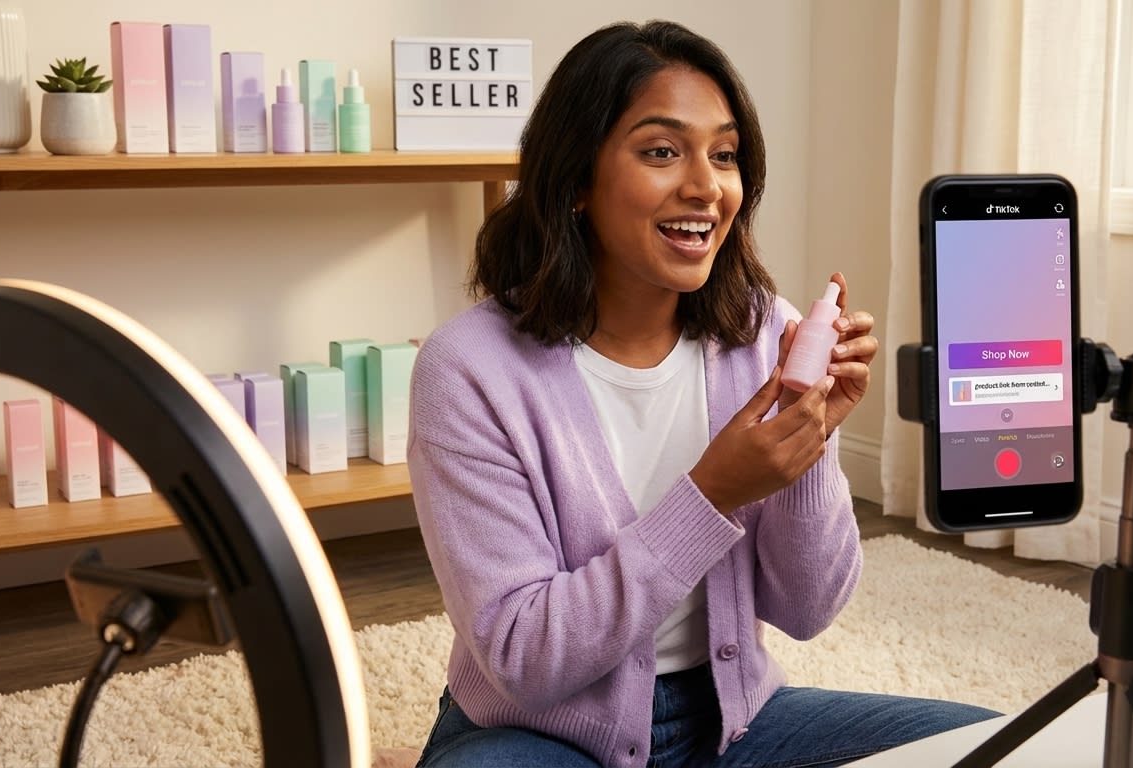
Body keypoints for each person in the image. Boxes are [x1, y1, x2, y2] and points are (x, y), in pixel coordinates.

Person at [406, 19, 999, 768]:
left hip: (734, 722)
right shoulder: (468, 368)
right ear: (577, 179)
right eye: (661, 151)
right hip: (534, 733)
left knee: (1001, 746)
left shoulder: (766, 335)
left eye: (725, 155)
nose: (705, 186)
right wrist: (712, 492)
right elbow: (526, 660)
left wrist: (806, 446)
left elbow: (808, 611)